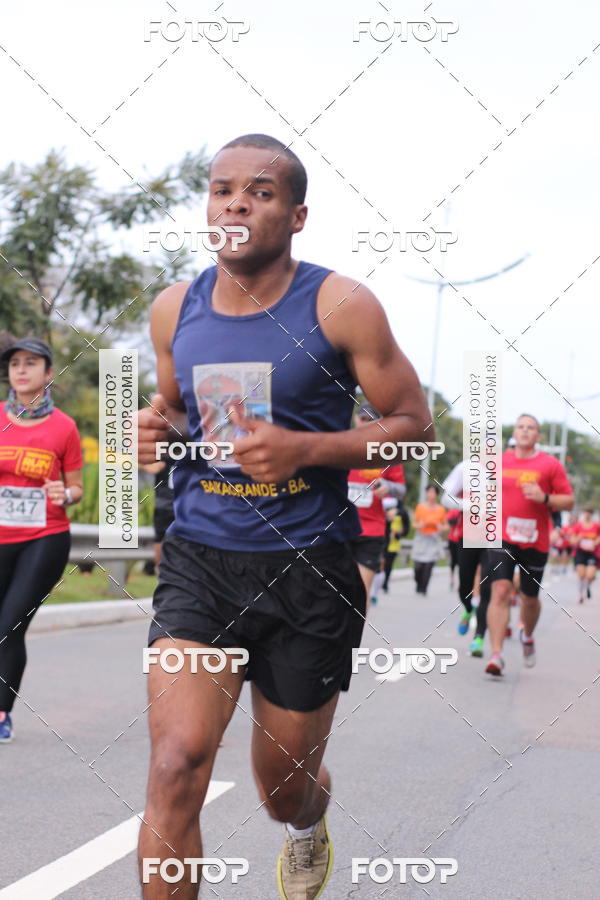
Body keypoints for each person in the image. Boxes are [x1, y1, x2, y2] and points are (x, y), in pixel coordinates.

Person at [136, 134, 431, 900]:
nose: (236, 202)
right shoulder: (176, 308)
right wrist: (155, 429)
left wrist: (308, 448)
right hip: (201, 558)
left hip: (309, 569)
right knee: (175, 766)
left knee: (282, 790)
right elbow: (176, 410)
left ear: (296, 216)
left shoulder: (340, 304)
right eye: (222, 188)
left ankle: (307, 824)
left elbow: (413, 427)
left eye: (260, 192)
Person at [0, 338, 83, 743]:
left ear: (48, 374)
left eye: (30, 363)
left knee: (9, 625)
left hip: (44, 538)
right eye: (14, 363)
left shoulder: (64, 427)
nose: (20, 369)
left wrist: (63, 495)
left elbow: (76, 488)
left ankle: (1, 714)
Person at [485, 414, 574, 676]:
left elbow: (568, 501)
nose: (525, 431)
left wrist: (544, 497)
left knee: (530, 599)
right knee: (500, 590)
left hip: (536, 539)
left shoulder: (550, 465)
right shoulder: (499, 462)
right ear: (515, 432)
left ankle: (528, 635)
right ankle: (496, 654)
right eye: (521, 427)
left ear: (538, 436)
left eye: (531, 428)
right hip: (502, 535)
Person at [348, 404, 406, 603]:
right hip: (341, 529)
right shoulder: (343, 446)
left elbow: (401, 490)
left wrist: (388, 487)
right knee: (337, 591)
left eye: (369, 420)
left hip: (371, 530)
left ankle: (356, 634)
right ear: (356, 420)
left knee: (361, 592)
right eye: (362, 419)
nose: (364, 424)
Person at [441, 460, 491, 656]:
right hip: (468, 536)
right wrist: (470, 505)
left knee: (487, 589)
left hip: (493, 539)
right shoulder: (465, 468)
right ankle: (468, 609)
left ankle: (478, 637)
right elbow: (445, 498)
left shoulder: (506, 469)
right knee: (465, 587)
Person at [411, 484, 447, 595]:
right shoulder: (420, 507)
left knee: (428, 566)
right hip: (421, 538)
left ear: (436, 495)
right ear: (426, 494)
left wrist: (441, 527)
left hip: (433, 539)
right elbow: (414, 524)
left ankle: (424, 588)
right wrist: (420, 525)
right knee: (418, 566)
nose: (431, 495)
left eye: (433, 492)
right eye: (429, 492)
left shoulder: (441, 509)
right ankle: (418, 583)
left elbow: (446, 526)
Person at [569, 506, 600, 603]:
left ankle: (587, 586)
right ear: (583, 514)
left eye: (589, 513)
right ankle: (580, 594)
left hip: (592, 553)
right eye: (586, 512)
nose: (587, 515)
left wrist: (595, 542)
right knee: (581, 575)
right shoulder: (578, 526)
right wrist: (578, 539)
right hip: (580, 552)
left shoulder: (596, 526)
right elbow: (572, 540)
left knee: (590, 575)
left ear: (591, 514)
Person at [383, 500, 410, 592]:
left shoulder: (401, 510)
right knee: (380, 562)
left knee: (388, 563)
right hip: (380, 539)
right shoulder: (381, 503)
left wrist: (399, 533)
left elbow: (406, 528)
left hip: (394, 542)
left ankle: (385, 582)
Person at [446, 508, 461, 590]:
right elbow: (449, 521)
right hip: (452, 539)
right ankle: (451, 580)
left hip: (461, 540)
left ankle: (460, 582)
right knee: (453, 561)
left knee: (461, 562)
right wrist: (458, 518)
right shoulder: (453, 510)